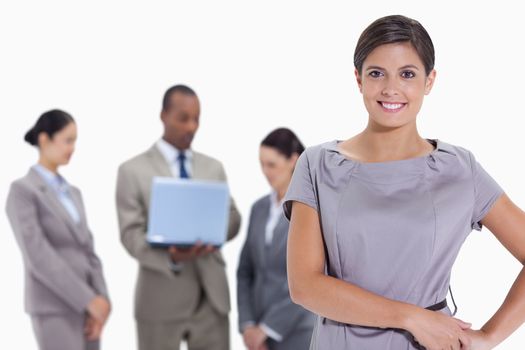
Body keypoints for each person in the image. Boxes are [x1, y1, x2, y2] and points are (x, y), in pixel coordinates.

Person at [284, 14, 525, 350]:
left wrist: (489, 337)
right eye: (376, 73)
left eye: (407, 74)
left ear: (430, 81)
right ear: (359, 79)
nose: (391, 88)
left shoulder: (459, 169)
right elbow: (304, 285)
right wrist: (411, 317)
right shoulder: (317, 165)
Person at [116, 84, 241, 350]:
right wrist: (171, 257)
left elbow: (233, 217)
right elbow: (130, 235)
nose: (191, 127)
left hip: (212, 299)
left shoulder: (213, 167)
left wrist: (214, 230)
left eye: (196, 119)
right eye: (183, 118)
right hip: (160, 299)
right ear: (163, 115)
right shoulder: (132, 170)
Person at [5, 109, 111, 350]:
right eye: (68, 140)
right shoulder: (23, 191)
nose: (73, 147)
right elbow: (38, 256)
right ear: (44, 139)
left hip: (90, 308)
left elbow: (88, 249)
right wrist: (87, 300)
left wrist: (102, 301)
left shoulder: (74, 193)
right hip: (54, 306)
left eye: (75, 141)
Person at [237, 128, 315, 350]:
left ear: (293, 160)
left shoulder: (311, 209)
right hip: (258, 335)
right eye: (261, 164)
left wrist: (267, 329)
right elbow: (245, 271)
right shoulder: (259, 208)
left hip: (299, 333)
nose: (265, 171)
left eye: (271, 165)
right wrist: (249, 325)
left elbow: (311, 278)